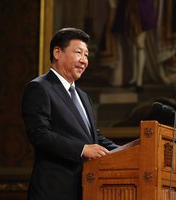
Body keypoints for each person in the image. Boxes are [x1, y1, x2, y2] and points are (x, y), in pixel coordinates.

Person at [22, 27, 119, 200]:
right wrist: (82, 150)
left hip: (85, 189)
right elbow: (39, 134)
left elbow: (94, 138)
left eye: (87, 55)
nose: (84, 60)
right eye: (78, 53)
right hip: (54, 190)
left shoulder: (83, 96)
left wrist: (126, 151)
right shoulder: (39, 88)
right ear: (57, 52)